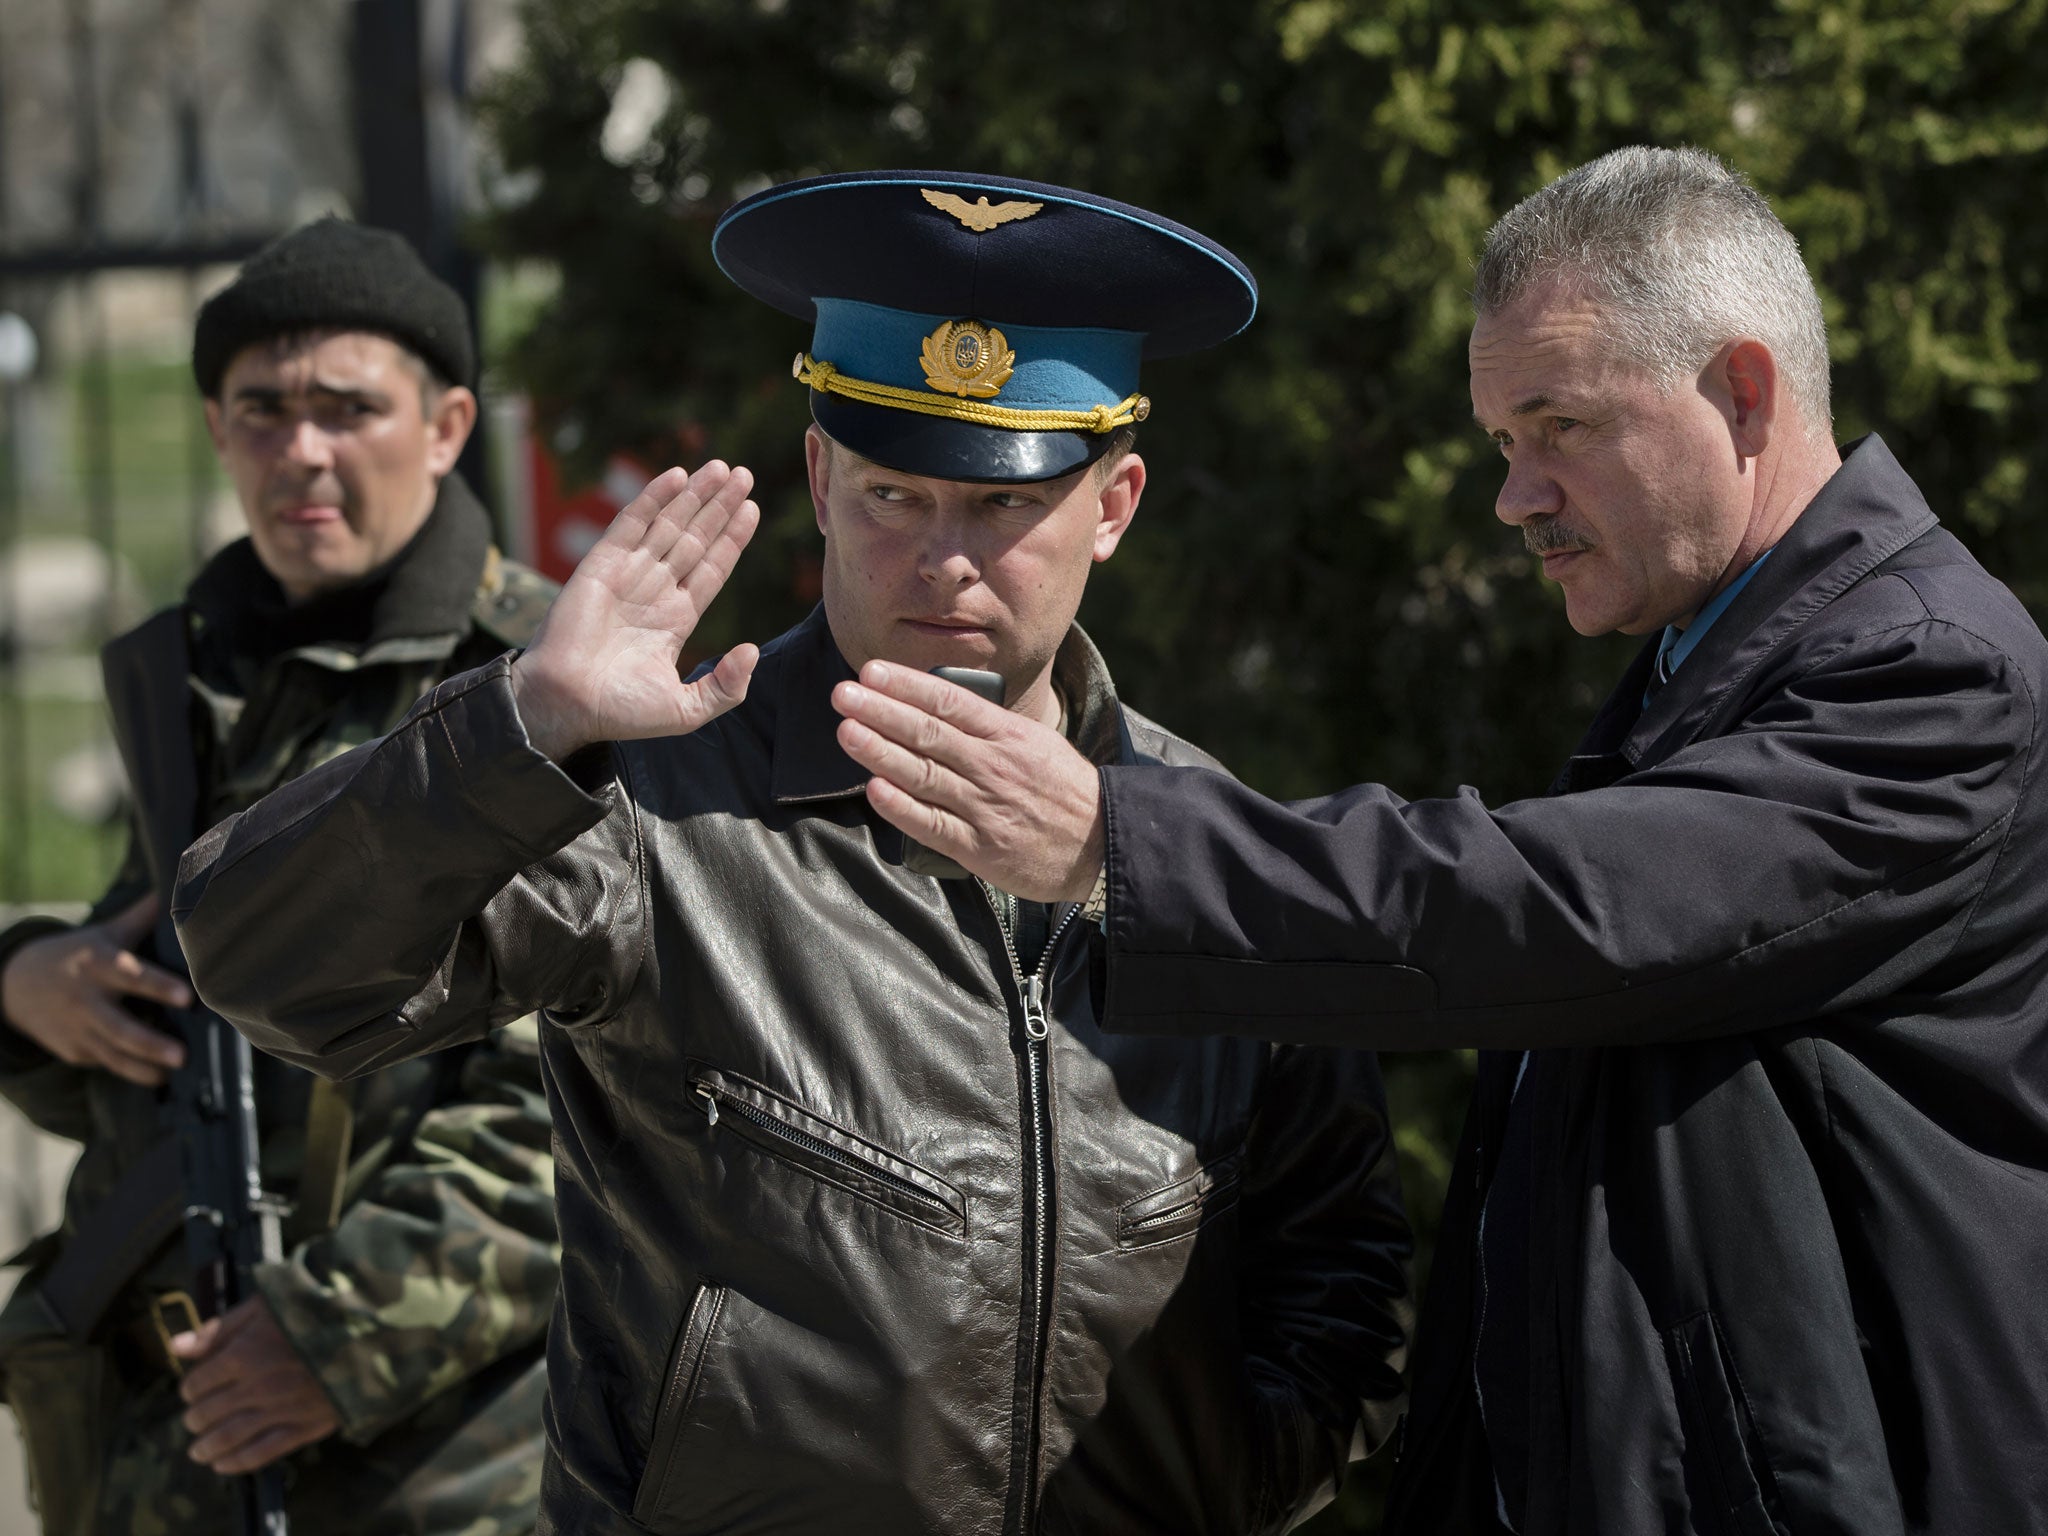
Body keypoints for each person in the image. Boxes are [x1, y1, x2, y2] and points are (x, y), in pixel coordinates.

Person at [827, 146, 2048, 1535]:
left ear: (1743, 393)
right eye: (1502, 444)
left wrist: (1120, 842)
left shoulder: (1934, 680)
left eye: (1561, 426)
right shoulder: (1710, 663)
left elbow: (1557, 908)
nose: (1515, 500)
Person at [170, 171, 1414, 1534]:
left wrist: (1207, 1489)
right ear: (820, 477)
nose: (944, 559)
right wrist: (523, 725)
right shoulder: (661, 809)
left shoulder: (1201, 842)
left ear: (1111, 506)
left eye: (1004, 507)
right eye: (894, 493)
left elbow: (1344, 1273)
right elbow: (267, 967)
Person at [0, 218, 560, 1535]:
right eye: (262, 411)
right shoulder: (204, 679)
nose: (300, 451)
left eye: (346, 409)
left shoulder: (540, 692)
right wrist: (32, 984)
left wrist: (332, 1341)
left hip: (424, 1462)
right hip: (153, 1445)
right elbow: (162, 1033)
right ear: (214, 428)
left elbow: (586, 1103)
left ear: (446, 425)